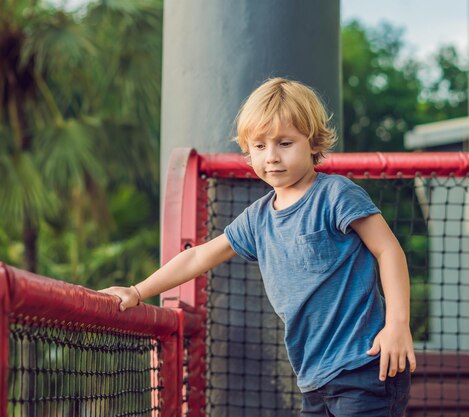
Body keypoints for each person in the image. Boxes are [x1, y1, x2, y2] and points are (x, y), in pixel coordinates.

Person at [100, 77, 416, 417]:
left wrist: (397, 324)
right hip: (313, 378)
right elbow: (199, 255)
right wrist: (136, 290)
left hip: (365, 364)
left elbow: (388, 250)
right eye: (260, 146)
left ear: (312, 142)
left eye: (284, 143)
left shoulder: (336, 195)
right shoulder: (258, 218)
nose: (272, 157)